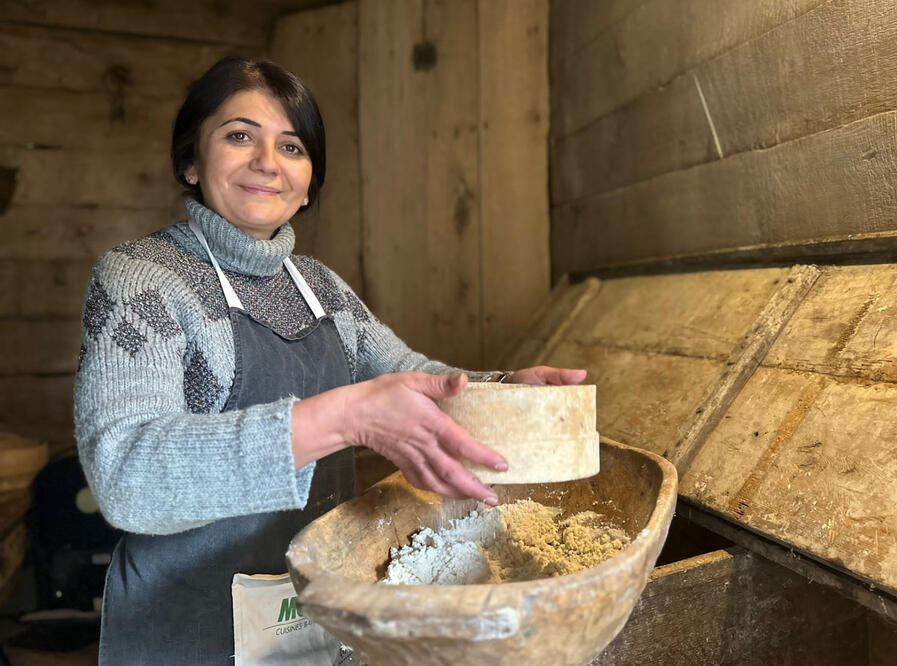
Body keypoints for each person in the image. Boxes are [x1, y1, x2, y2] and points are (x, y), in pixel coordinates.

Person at [73, 56, 585, 665]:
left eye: (291, 147)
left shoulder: (319, 290)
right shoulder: (142, 280)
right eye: (239, 136)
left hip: (314, 616)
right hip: (187, 626)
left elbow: (412, 373)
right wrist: (342, 418)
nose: (267, 162)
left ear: (310, 181)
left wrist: (502, 388)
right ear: (190, 161)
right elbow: (127, 477)